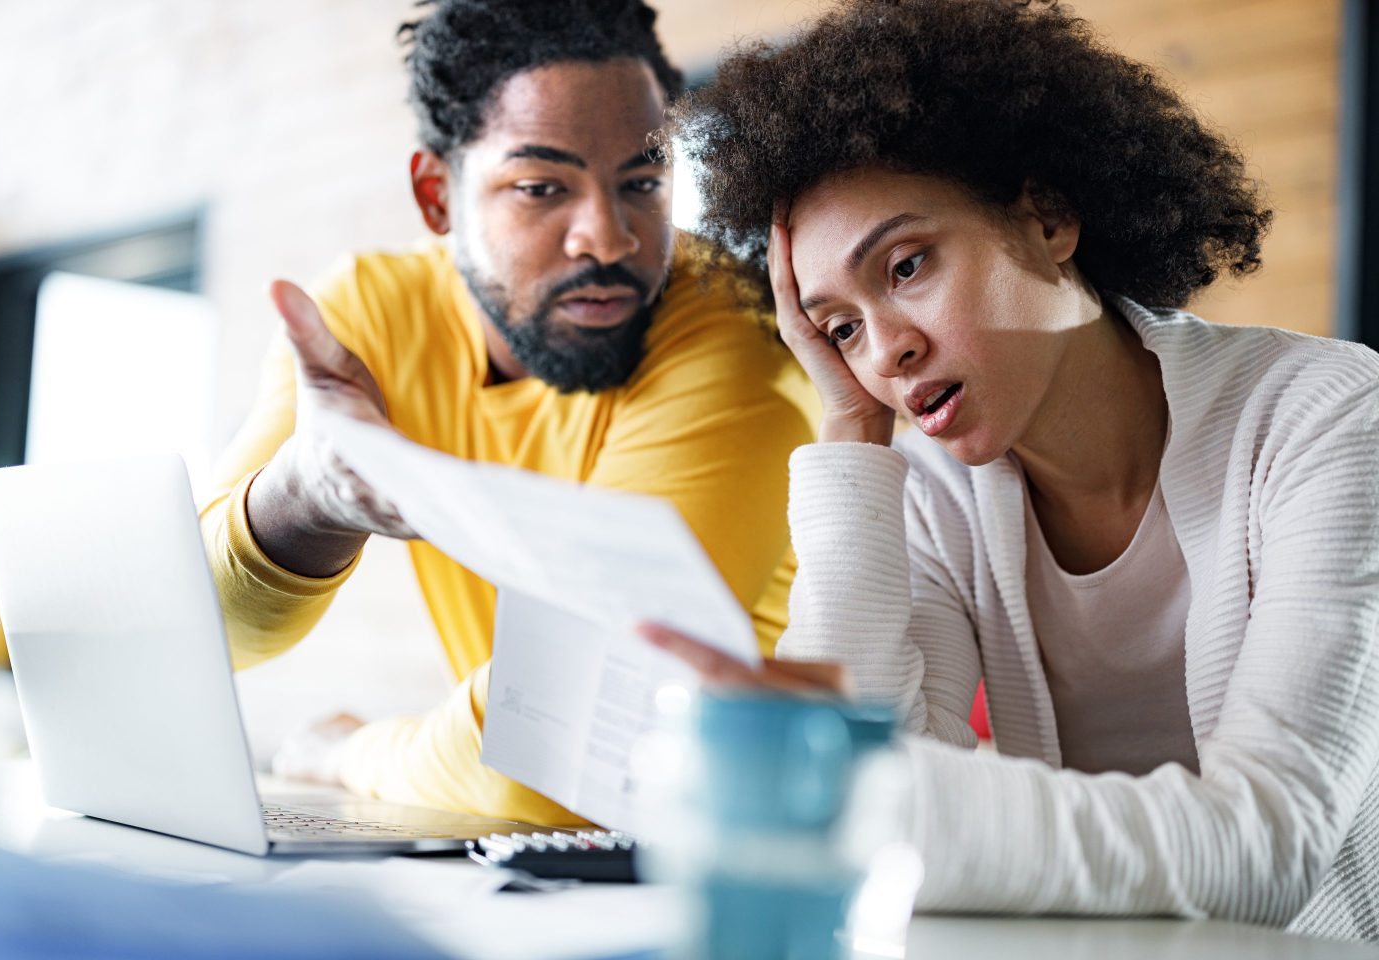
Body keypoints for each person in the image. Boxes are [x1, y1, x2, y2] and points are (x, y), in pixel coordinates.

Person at [643, 0, 1379, 940]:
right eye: (839, 329)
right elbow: (861, 805)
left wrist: (850, 794)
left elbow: (1265, 847)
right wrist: (849, 432)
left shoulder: (1327, 415)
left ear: (1048, 217)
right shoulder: (938, 496)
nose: (885, 354)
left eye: (906, 267)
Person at [202, 0, 816, 826]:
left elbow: (560, 752)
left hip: (760, 845)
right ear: (436, 197)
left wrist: (346, 754)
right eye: (541, 187)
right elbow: (207, 633)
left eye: (641, 182)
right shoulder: (368, 315)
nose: (607, 238)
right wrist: (309, 496)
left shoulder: (732, 334)